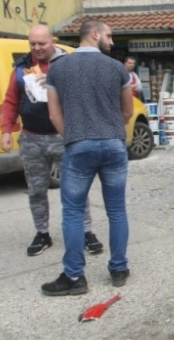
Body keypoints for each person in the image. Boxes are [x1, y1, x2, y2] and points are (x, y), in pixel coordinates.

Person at [42, 19, 133, 296]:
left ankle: (74, 277)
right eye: (109, 35)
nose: (112, 41)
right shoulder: (117, 68)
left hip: (79, 144)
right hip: (114, 145)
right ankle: (118, 268)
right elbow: (127, 111)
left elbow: (54, 115)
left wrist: (72, 136)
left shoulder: (58, 69)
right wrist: (111, 131)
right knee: (116, 210)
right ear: (94, 34)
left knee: (72, 212)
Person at [1, 25, 104, 257]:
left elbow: (87, 93)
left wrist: (58, 81)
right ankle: (42, 233)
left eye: (42, 44)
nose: (37, 48)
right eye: (32, 44)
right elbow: (10, 101)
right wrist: (6, 130)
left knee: (76, 188)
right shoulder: (20, 67)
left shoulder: (69, 63)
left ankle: (86, 231)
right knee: (36, 190)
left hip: (65, 137)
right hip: (31, 138)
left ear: (53, 41)